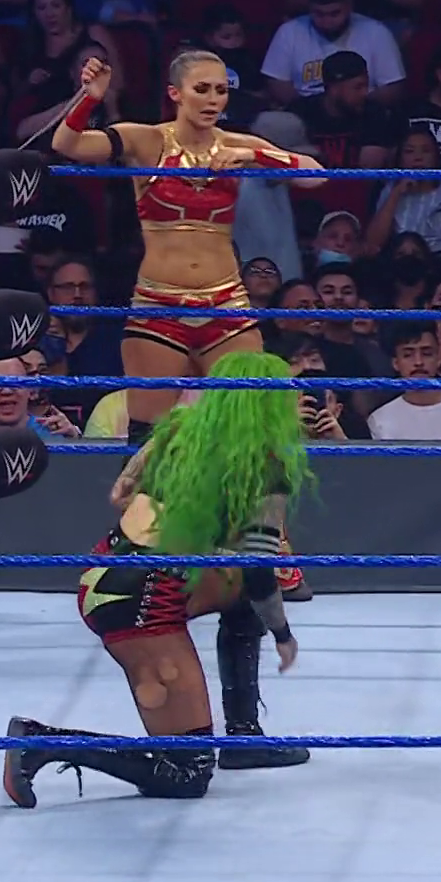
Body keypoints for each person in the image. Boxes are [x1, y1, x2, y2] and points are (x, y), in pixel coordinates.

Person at [52, 48, 324, 601]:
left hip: (226, 302)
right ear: (175, 93)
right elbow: (68, 146)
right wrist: (89, 99)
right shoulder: (146, 140)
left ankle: (271, 552)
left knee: (257, 428)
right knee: (152, 439)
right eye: (202, 89)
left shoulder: (238, 144)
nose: (213, 100)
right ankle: (137, 557)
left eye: (221, 90)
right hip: (159, 304)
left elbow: (315, 176)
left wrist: (255, 159)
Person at [3, 353, 315, 808]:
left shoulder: (177, 431)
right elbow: (259, 571)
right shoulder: (265, 468)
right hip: (144, 605)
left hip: (105, 571)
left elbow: (120, 495)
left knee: (238, 594)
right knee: (187, 771)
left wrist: (190, 519)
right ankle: (40, 742)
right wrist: (283, 635)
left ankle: (244, 735)